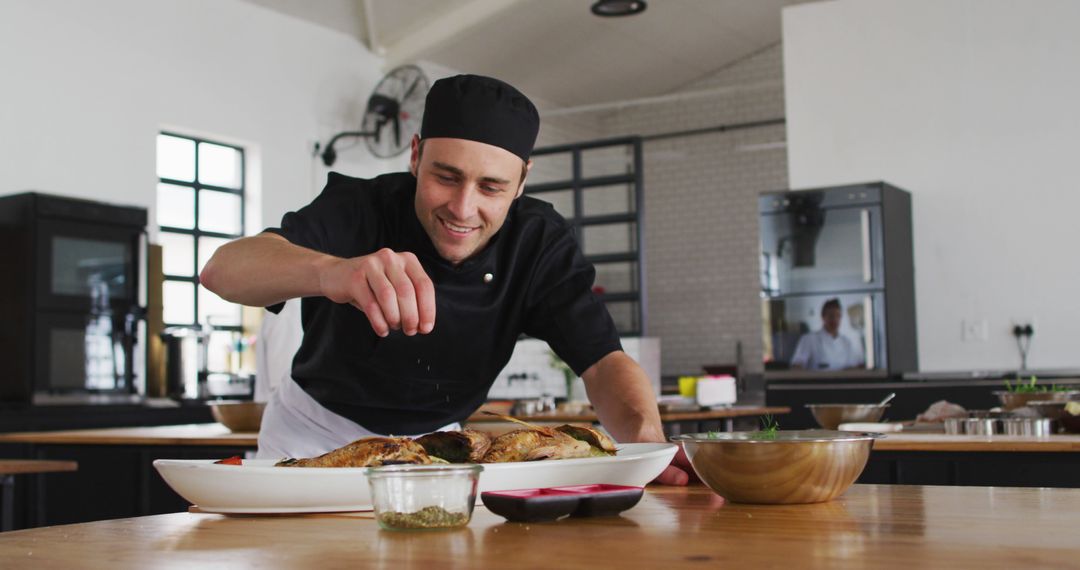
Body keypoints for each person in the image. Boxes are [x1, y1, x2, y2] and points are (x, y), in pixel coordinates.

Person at [200, 74, 692, 485]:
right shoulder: (358, 208)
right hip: (312, 440)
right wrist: (332, 272)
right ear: (415, 155)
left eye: (492, 187)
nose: (462, 208)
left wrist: (648, 447)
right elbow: (222, 271)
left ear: (522, 182)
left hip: (442, 451)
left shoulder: (538, 242)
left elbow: (604, 362)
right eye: (446, 177)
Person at [790, 298, 865, 370]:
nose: (834, 320)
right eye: (831, 316)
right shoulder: (809, 339)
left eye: (838, 316)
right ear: (823, 317)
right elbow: (797, 366)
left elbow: (853, 368)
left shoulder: (846, 343)